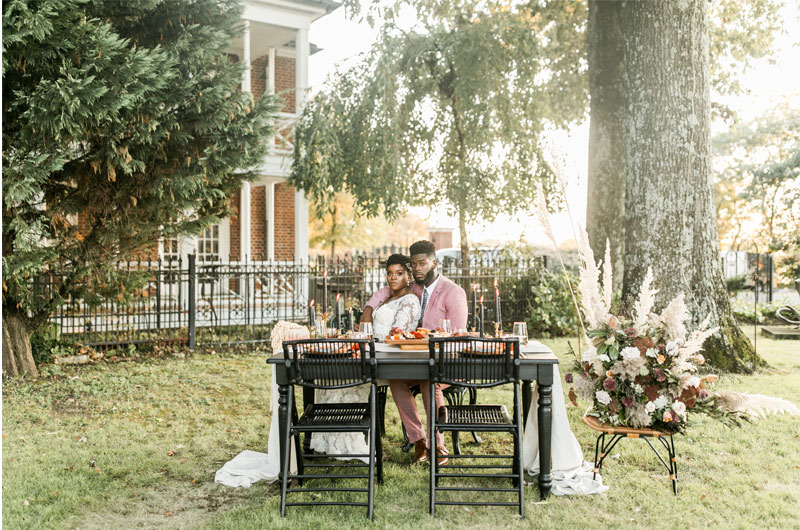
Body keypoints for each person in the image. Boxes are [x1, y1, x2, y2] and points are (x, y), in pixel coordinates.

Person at [362, 240, 468, 466]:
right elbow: (385, 291)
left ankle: (438, 444)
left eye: (422, 263)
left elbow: (458, 336)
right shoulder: (414, 289)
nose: (418, 268)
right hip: (415, 360)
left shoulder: (453, 292)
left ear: (434, 263)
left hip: (444, 363)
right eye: (414, 264)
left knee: (430, 382)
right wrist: (370, 308)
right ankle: (418, 440)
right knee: (395, 378)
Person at [310, 254, 420, 459]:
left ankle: (348, 444)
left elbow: (397, 336)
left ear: (409, 276)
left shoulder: (410, 301)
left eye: (399, 273)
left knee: (347, 377)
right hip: (369, 352)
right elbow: (369, 323)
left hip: (388, 360)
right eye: (389, 273)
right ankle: (325, 440)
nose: (393, 278)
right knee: (331, 375)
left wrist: (369, 342)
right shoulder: (388, 297)